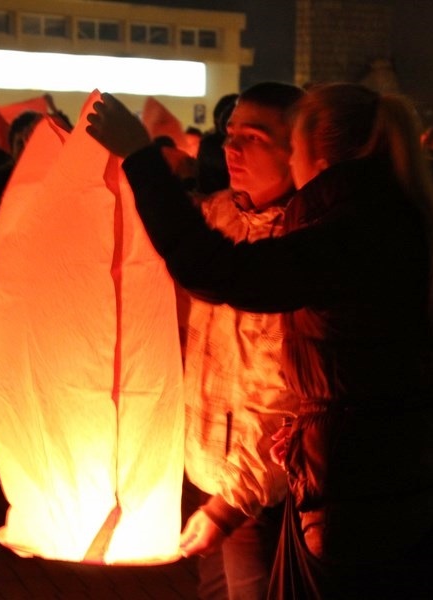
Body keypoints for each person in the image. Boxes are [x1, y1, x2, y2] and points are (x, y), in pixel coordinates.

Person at [86, 83, 433, 598]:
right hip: (359, 474)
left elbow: (221, 272)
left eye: (264, 139)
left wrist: (141, 158)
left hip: (351, 484)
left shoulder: (346, 232)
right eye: (230, 135)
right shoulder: (378, 216)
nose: (233, 150)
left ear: (311, 153)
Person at [176, 82, 304, 600]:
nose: (231, 148)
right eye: (230, 133)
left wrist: (230, 505)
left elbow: (286, 393)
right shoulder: (219, 216)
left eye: (253, 136)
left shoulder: (304, 242)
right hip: (210, 471)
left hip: (261, 490)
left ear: (299, 150)